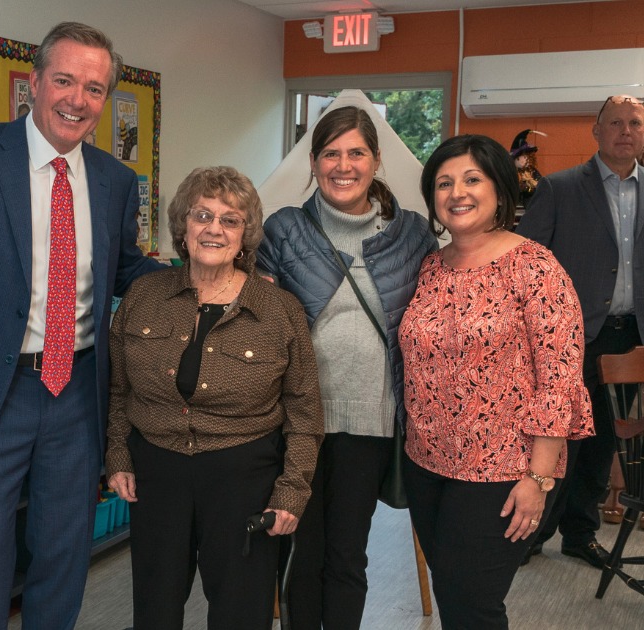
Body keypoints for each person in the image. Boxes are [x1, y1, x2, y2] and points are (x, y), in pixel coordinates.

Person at [0, 21, 162, 629]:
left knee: (64, 554)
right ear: (33, 83)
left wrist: (215, 278)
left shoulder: (115, 181)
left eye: (93, 88)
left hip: (78, 392)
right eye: (64, 80)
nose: (76, 100)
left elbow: (127, 271)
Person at [106, 166, 323, 630]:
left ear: (246, 235)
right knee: (154, 607)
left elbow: (305, 412)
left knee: (241, 611)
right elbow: (118, 389)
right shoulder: (143, 296)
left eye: (230, 220)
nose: (214, 229)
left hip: (243, 476)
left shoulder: (279, 312)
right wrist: (119, 453)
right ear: (183, 226)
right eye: (203, 215)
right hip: (158, 473)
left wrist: (292, 491)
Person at [401, 134, 593, 629]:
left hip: (502, 471)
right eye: (443, 183)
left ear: (500, 189)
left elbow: (560, 380)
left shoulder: (536, 267)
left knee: (474, 604)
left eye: (471, 179)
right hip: (426, 465)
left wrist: (538, 478)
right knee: (453, 595)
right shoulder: (430, 267)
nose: (456, 193)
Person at [255, 105, 437, 630]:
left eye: (356, 152)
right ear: (312, 163)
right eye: (331, 153)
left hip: (370, 425)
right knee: (301, 554)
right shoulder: (284, 230)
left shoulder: (412, 236)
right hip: (296, 424)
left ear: (376, 160)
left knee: (346, 556)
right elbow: (261, 326)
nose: (343, 164)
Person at [517, 95, 644, 567]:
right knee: (559, 438)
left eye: (634, 123)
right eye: (615, 122)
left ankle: (580, 533)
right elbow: (526, 262)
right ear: (597, 131)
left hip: (630, 339)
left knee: (605, 440)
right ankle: (534, 532)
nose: (625, 131)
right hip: (570, 338)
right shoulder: (560, 188)